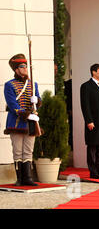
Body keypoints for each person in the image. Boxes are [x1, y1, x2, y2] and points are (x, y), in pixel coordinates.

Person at [4, 54, 41, 186]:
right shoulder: (9, 85)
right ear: (16, 69)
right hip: (16, 122)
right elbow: (12, 103)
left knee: (28, 150)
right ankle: (19, 178)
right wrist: (25, 114)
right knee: (18, 151)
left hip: (31, 122)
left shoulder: (33, 84)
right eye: (22, 66)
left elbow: (38, 99)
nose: (25, 68)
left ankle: (28, 178)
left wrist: (37, 100)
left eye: (26, 66)